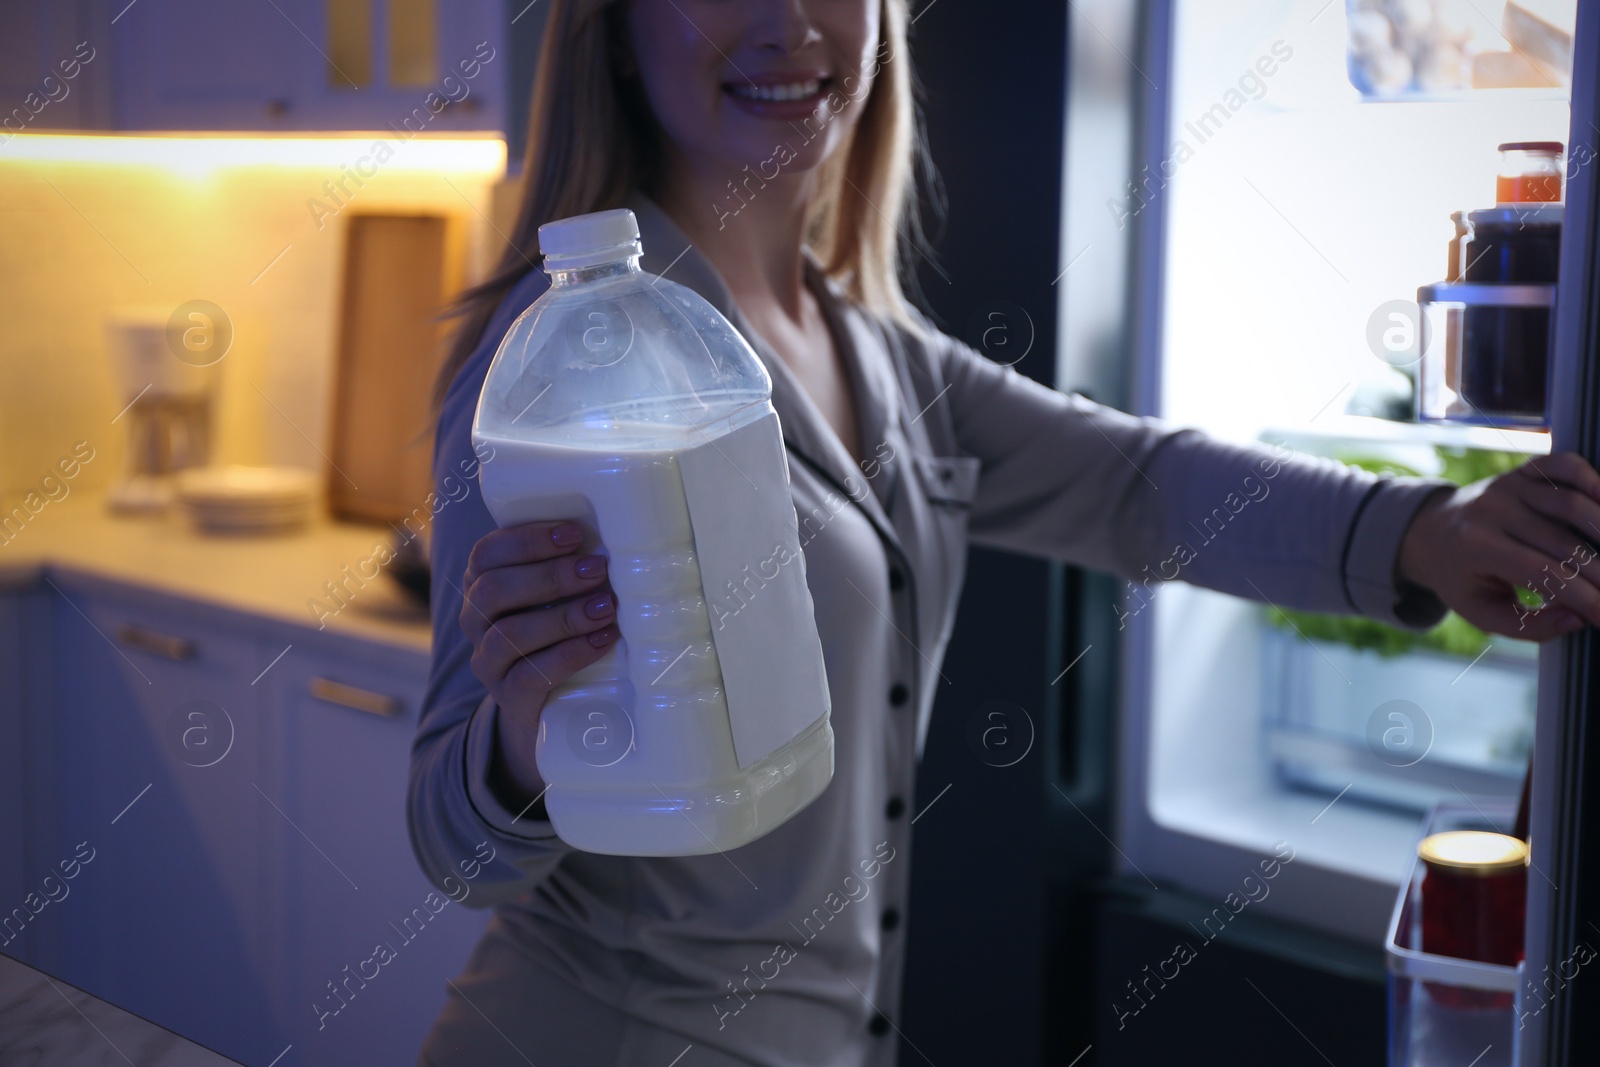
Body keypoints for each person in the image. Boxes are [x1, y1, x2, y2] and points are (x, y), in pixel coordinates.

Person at [407, 0, 1600, 1063]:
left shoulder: (864, 345)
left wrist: (1429, 531)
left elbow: (1136, 482)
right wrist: (524, 736)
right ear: (612, 26)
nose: (789, 22)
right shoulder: (560, 373)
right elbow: (453, 850)